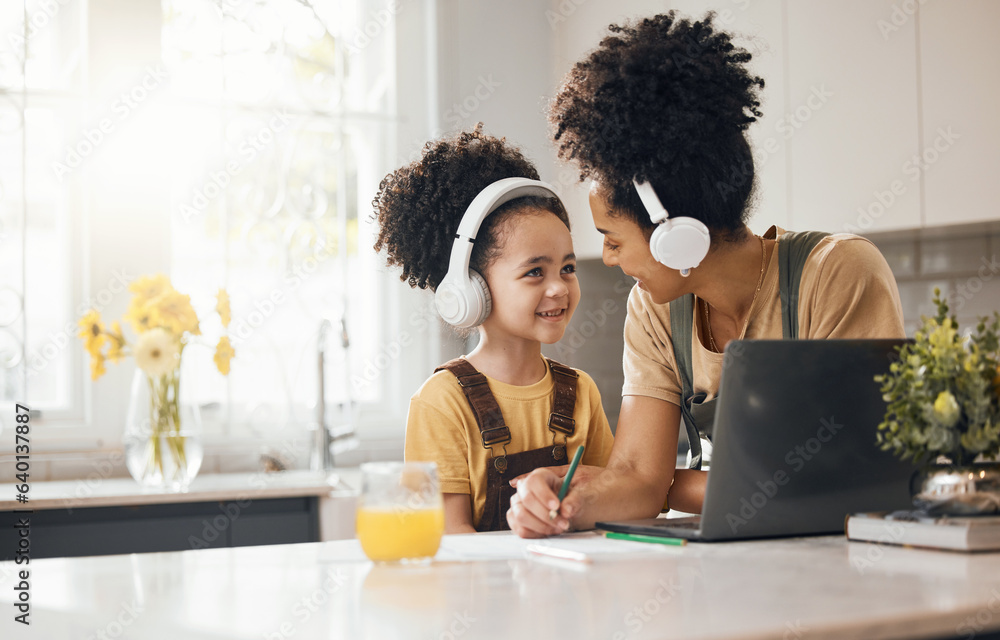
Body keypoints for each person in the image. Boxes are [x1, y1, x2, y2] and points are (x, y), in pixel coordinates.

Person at [506, 12, 905, 537]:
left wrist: (669, 483)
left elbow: (859, 481)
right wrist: (562, 501)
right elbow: (635, 480)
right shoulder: (652, 309)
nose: (606, 257)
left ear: (676, 233)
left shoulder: (836, 274)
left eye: (614, 238)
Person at [372, 124, 615, 534]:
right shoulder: (441, 403)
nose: (559, 287)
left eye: (568, 268)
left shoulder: (582, 392)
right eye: (535, 272)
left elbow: (611, 502)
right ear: (472, 288)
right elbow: (453, 540)